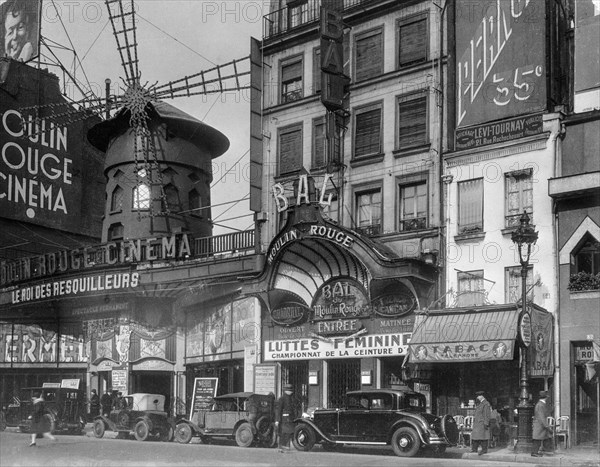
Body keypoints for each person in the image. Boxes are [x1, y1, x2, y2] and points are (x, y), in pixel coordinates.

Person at [274, 383, 298, 453]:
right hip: (283, 419)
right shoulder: (281, 399)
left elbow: (294, 409)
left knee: (288, 433)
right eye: (289, 390)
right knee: (283, 433)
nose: (290, 392)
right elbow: (279, 410)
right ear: (285, 390)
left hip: (290, 419)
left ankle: (286, 447)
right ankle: (281, 447)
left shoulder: (292, 399)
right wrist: (277, 420)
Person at [531, 390, 554, 457]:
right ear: (546, 398)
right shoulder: (540, 405)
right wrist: (547, 426)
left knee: (543, 438)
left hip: (540, 425)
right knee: (537, 439)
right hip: (539, 425)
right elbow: (542, 417)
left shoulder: (540, 404)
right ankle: (534, 452)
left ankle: (546, 450)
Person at [471, 390, 491, 455]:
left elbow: (486, 414)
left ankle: (484, 450)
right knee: (476, 436)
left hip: (482, 423)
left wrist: (486, 423)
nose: (477, 397)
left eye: (479, 396)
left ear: (482, 396)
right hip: (478, 423)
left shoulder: (486, 404)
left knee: (483, 437)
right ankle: (474, 449)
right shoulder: (480, 403)